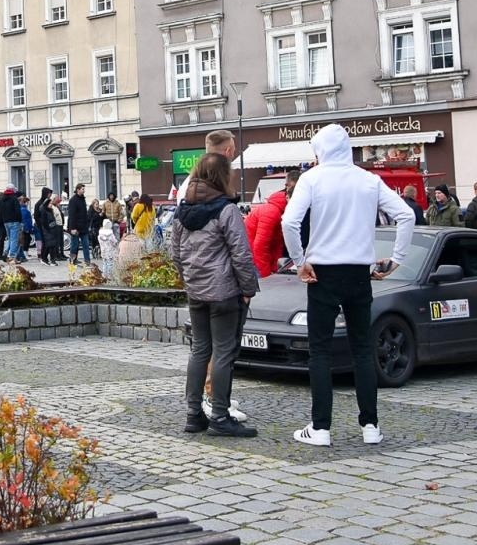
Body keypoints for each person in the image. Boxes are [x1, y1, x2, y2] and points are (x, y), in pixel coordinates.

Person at [281, 123, 415, 447]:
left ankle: (321, 427)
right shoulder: (368, 180)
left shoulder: (312, 178)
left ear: (321, 150)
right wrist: (396, 258)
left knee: (321, 351)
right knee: (362, 350)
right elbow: (406, 215)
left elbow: (289, 221)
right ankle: (370, 426)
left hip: (322, 274)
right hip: (359, 273)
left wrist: (300, 262)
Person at [173, 153, 259, 438]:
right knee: (223, 351)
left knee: (199, 350)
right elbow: (241, 254)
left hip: (196, 290)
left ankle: (192, 413)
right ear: (222, 177)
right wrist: (248, 289)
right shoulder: (227, 210)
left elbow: (175, 254)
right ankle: (220, 416)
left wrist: (189, 280)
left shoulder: (182, 211)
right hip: (223, 292)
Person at [246, 169, 299, 277]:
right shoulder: (272, 212)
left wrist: (275, 269)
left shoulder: (279, 210)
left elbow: (276, 245)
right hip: (252, 260)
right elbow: (260, 247)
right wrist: (266, 275)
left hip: (255, 259)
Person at [0, 184, 24, 263]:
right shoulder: (14, 199)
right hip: (14, 221)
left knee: (10, 239)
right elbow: (18, 211)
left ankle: (5, 253)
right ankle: (12, 257)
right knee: (14, 239)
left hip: (6, 222)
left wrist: (2, 218)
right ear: (12, 190)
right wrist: (20, 220)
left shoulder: (2, 199)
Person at [67, 184, 92, 266]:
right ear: (78, 190)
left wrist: (87, 225)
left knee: (86, 244)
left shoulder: (83, 199)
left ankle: (87, 261)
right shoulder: (73, 200)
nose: (84, 190)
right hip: (76, 227)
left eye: (84, 189)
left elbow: (84, 214)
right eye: (82, 189)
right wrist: (72, 228)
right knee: (75, 245)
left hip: (83, 227)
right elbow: (72, 215)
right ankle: (72, 260)